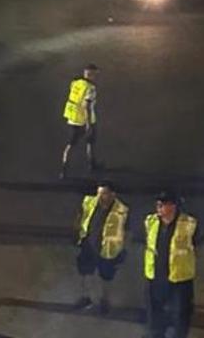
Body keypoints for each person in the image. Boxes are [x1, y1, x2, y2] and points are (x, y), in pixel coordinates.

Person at [144, 191, 197, 338]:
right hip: (155, 276)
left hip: (179, 278)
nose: (159, 208)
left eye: (163, 205)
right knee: (154, 315)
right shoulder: (151, 221)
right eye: (158, 205)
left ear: (173, 206)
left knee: (180, 316)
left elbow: (196, 245)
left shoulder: (189, 224)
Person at [74, 181, 128, 314]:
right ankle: (86, 298)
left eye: (104, 193)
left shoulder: (122, 210)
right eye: (99, 193)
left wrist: (123, 249)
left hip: (108, 249)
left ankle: (105, 301)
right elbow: (80, 218)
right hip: (88, 245)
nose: (100, 197)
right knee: (86, 273)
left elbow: (128, 231)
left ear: (112, 195)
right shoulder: (90, 202)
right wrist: (77, 234)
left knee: (106, 277)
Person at [60, 64, 99, 178]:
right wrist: (88, 124)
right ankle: (91, 163)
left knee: (71, 144)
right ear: (91, 74)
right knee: (90, 140)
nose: (96, 77)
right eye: (95, 74)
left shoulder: (76, 82)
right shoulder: (90, 88)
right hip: (84, 118)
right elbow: (86, 105)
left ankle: (64, 168)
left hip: (73, 116)